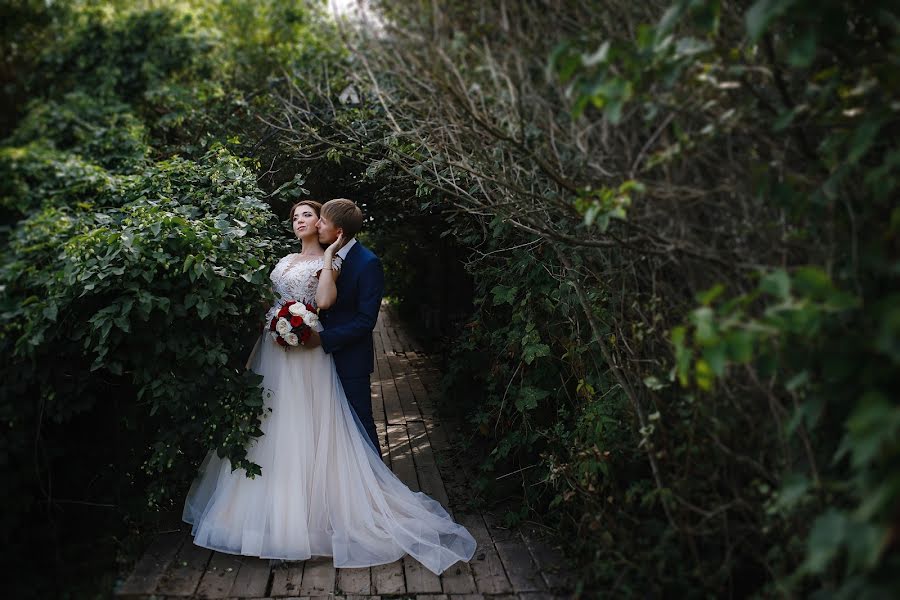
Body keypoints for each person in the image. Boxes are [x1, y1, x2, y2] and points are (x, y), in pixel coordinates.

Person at [181, 199, 475, 575]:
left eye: (313, 216)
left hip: (316, 352)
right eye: (299, 216)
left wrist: (311, 330)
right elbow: (272, 301)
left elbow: (340, 309)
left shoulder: (345, 262)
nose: (307, 222)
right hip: (276, 354)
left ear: (334, 230)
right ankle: (264, 518)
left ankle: (355, 503)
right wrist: (273, 325)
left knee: (330, 430)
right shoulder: (285, 261)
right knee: (273, 429)